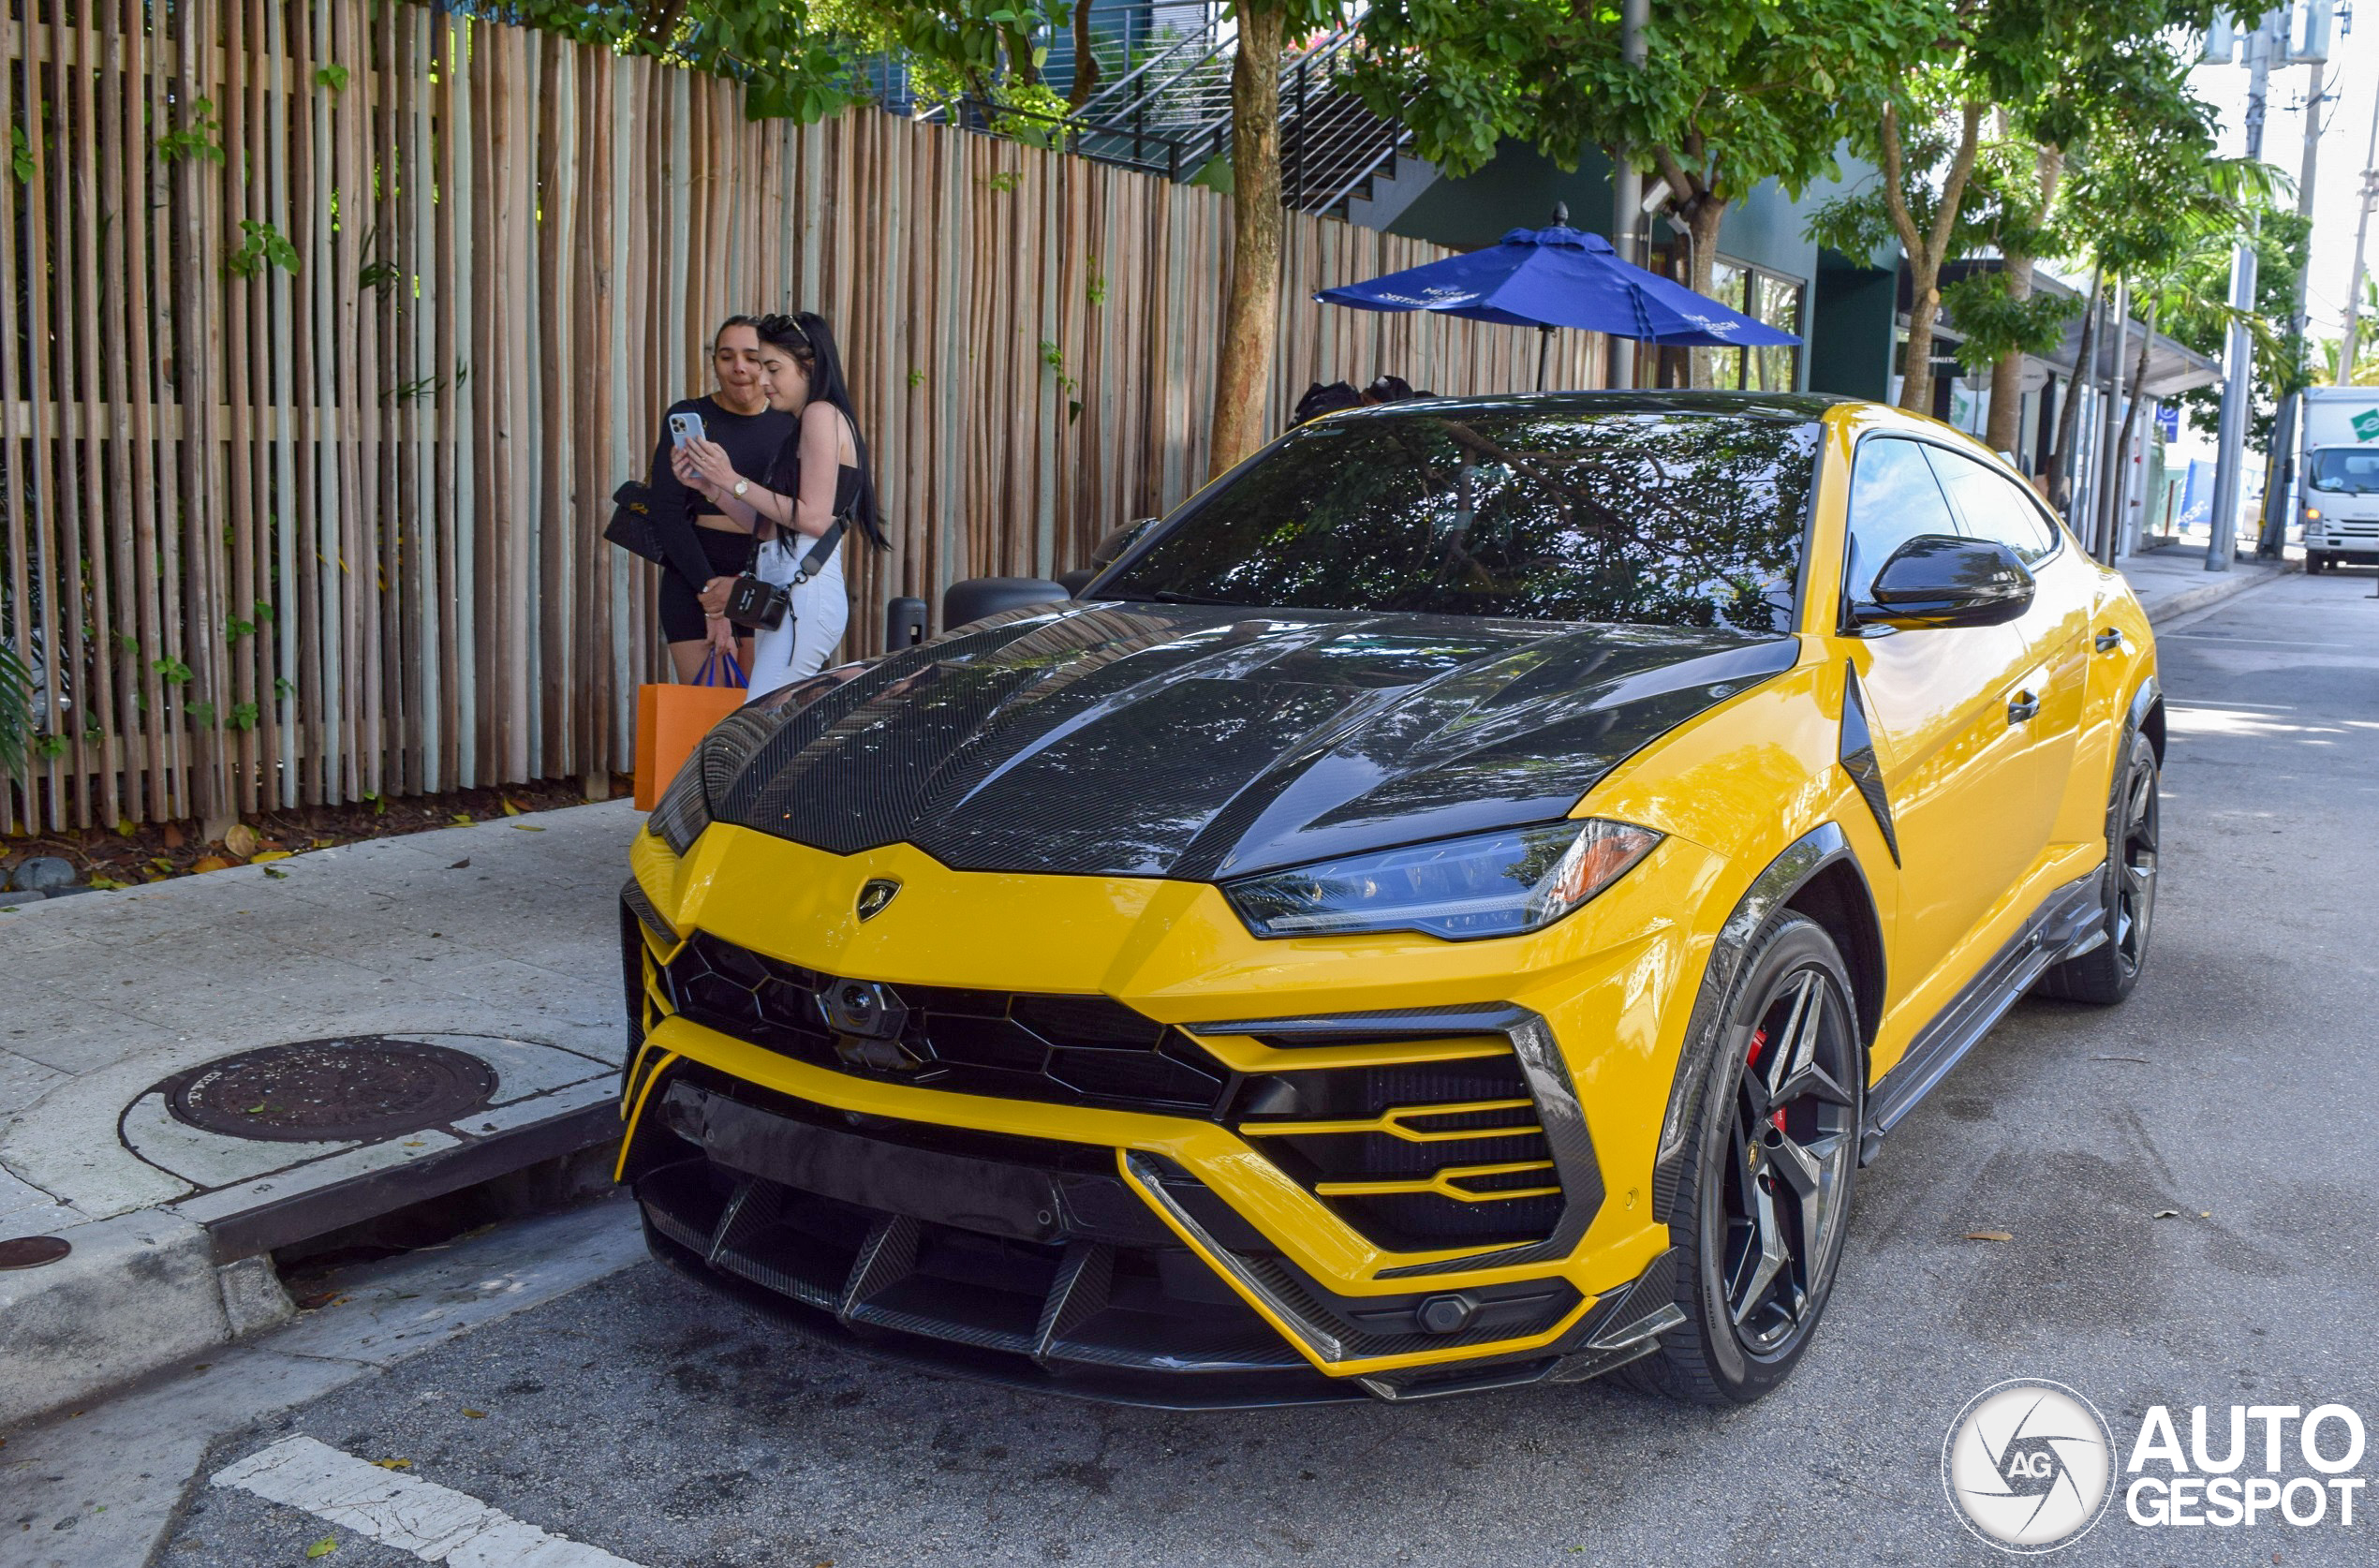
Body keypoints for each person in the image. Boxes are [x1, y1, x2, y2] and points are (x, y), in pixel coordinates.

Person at [673, 311, 885, 702]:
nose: (762, 381)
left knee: (763, 714)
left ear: (810, 365)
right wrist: (712, 488)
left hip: (804, 592)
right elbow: (771, 525)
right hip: (791, 592)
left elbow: (815, 519)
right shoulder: (807, 421)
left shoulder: (821, 415)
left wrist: (730, 478)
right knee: (770, 716)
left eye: (772, 368)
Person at [646, 316, 794, 684]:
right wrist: (712, 600)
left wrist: (739, 593)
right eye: (727, 357)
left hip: (767, 573)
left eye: (751, 356)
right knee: (709, 713)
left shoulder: (792, 422)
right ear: (715, 363)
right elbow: (666, 512)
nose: (739, 367)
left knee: (760, 712)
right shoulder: (689, 417)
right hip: (693, 570)